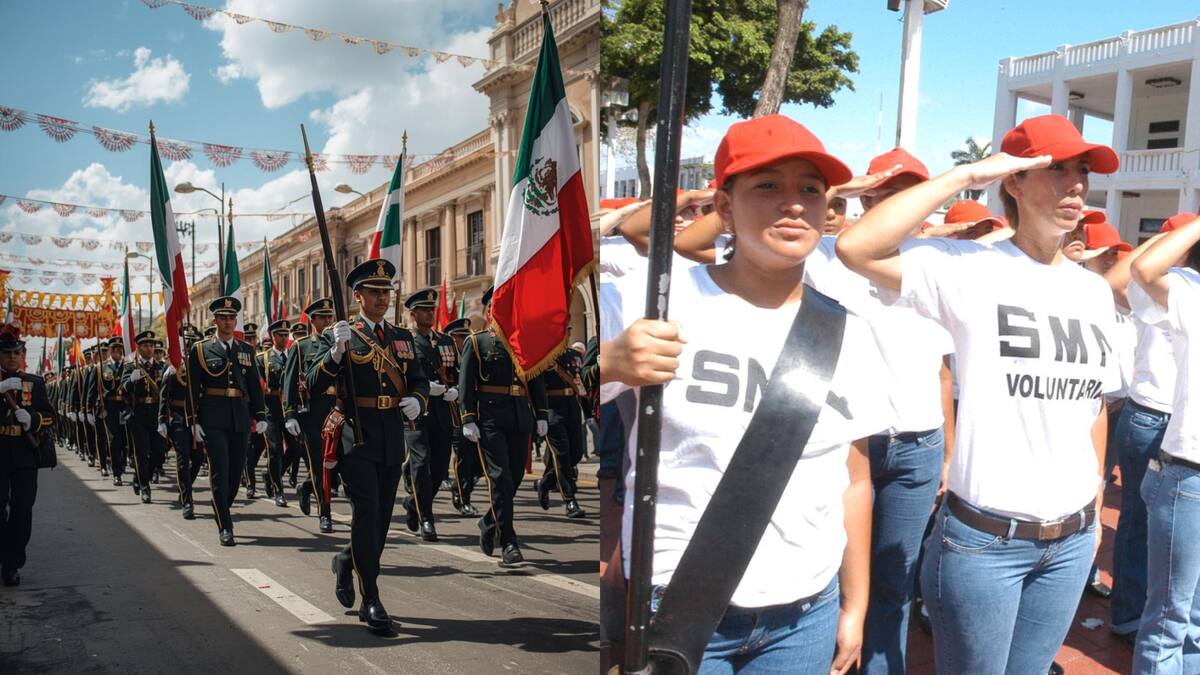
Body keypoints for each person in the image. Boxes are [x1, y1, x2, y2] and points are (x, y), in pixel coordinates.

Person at [601, 115, 894, 673]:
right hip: (678, 607)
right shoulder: (652, 300)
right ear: (725, 206)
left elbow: (854, 480)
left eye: (811, 189)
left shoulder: (852, 333)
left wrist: (854, 606)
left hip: (804, 613)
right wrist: (609, 364)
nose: (793, 204)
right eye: (767, 186)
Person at [836, 113, 1122, 674]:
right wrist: (967, 175)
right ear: (1014, 181)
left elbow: (1093, 406)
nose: (1076, 185)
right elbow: (856, 247)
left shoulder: (1093, 292)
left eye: (1082, 171)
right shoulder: (970, 270)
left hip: (1068, 544)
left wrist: (1092, 505)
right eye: (1056, 169)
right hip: (986, 543)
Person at [805, 147, 957, 675]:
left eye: (908, 197)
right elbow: (699, 244)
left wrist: (947, 455)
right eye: (884, 196)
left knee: (895, 583)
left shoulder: (936, 267)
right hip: (848, 447)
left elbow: (943, 372)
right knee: (831, 576)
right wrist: (836, 190)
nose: (897, 207)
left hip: (917, 448)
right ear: (865, 201)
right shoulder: (824, 255)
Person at [307, 259, 429, 631]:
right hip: (355, 435)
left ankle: (346, 560)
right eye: (374, 292)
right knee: (367, 511)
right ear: (357, 296)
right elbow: (312, 383)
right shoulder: (342, 333)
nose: (382, 298)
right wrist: (335, 353)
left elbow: (418, 380)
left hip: (391, 434)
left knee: (380, 519)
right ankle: (370, 598)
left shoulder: (401, 337)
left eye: (386, 291)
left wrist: (418, 400)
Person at [1102, 213, 1193, 646]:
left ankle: (1164, 614)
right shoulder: (1162, 287)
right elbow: (1117, 280)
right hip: (1152, 416)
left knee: (1171, 530)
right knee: (1139, 522)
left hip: (1183, 425)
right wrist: (1166, 237)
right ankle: (1129, 616)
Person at [1126, 212, 1200, 671]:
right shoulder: (1191, 293)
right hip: (1190, 477)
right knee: (1170, 620)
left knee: (1197, 621)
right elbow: (1144, 270)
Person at [459, 286, 549, 567]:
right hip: (490, 418)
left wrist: (542, 413)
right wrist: (468, 418)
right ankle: (508, 542)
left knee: (516, 477)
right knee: (500, 478)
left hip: (520, 415)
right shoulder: (477, 342)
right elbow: (466, 383)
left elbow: (535, 379)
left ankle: (489, 520)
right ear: (489, 311)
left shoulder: (524, 342)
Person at [189, 297, 268, 546]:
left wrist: (260, 414)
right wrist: (193, 421)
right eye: (222, 317)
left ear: (236, 321)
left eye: (231, 317)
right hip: (212, 417)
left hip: (240, 417)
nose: (227, 322)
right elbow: (192, 389)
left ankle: (222, 505)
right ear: (215, 321)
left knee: (235, 473)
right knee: (220, 470)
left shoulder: (246, 350)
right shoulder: (200, 349)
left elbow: (254, 385)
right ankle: (225, 524)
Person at [400, 288, 460, 542]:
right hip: (417, 413)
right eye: (424, 310)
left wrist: (456, 389)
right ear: (413, 315)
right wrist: (424, 388)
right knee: (421, 462)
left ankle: (414, 502)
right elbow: (399, 375)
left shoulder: (446, 341)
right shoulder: (405, 341)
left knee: (439, 468)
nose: (429, 314)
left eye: (431, 310)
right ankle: (427, 518)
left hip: (443, 412)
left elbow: (457, 371)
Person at [0, 324, 54, 587]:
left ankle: (12, 563)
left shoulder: (35, 382)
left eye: (16, 353)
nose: (12, 357)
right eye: (6, 353)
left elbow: (51, 416)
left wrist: (33, 419)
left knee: (22, 510)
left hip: (24, 453)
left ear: (22, 355)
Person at [285, 300, 336, 533]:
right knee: (319, 464)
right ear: (312, 321)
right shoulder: (301, 346)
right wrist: (290, 414)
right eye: (322, 318)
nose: (327, 321)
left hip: (337, 410)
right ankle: (325, 512)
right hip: (313, 412)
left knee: (338, 463)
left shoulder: (340, 343)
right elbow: (290, 382)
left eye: (329, 317)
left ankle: (306, 487)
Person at [534, 342, 588, 519]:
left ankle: (545, 482)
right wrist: (539, 414)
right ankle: (570, 500)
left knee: (576, 453)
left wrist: (588, 412)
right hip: (552, 408)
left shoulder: (574, 354)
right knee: (562, 455)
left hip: (572, 407)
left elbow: (580, 382)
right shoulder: (544, 355)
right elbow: (537, 387)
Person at [160, 324, 204, 520]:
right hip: (178, 416)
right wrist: (162, 419)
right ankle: (188, 501)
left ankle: (185, 487)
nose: (190, 344)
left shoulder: (202, 363)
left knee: (198, 458)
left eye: (193, 341)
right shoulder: (173, 365)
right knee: (183, 458)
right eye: (187, 341)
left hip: (198, 417)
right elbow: (164, 395)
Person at [122, 331, 166, 504]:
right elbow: (121, 390)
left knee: (159, 451)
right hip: (138, 413)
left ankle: (140, 476)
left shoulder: (161, 367)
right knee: (141, 452)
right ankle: (145, 487)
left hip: (156, 413)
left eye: (151, 346)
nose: (149, 349)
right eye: (146, 346)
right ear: (138, 348)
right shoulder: (131, 367)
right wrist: (130, 381)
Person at [443, 317, 479, 516]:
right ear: (452, 338)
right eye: (460, 337)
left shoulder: (473, 353)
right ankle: (462, 496)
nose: (464, 340)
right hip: (449, 412)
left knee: (474, 458)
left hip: (470, 412)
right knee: (462, 457)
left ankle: (463, 488)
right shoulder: (447, 356)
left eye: (466, 336)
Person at [259, 320, 291, 508]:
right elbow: (258, 387)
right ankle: (279, 490)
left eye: (286, 335)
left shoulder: (293, 355)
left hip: (290, 410)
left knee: (296, 448)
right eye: (280, 335)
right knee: (275, 450)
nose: (284, 338)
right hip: (271, 409)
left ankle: (271, 474)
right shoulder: (263, 358)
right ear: (273, 337)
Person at [99, 338, 129, 487]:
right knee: (114, 440)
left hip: (124, 406)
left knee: (125, 440)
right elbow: (95, 389)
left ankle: (122, 463)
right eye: (115, 349)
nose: (118, 352)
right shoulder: (103, 367)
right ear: (110, 351)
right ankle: (116, 473)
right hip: (110, 407)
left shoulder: (127, 365)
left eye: (120, 350)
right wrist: (91, 409)